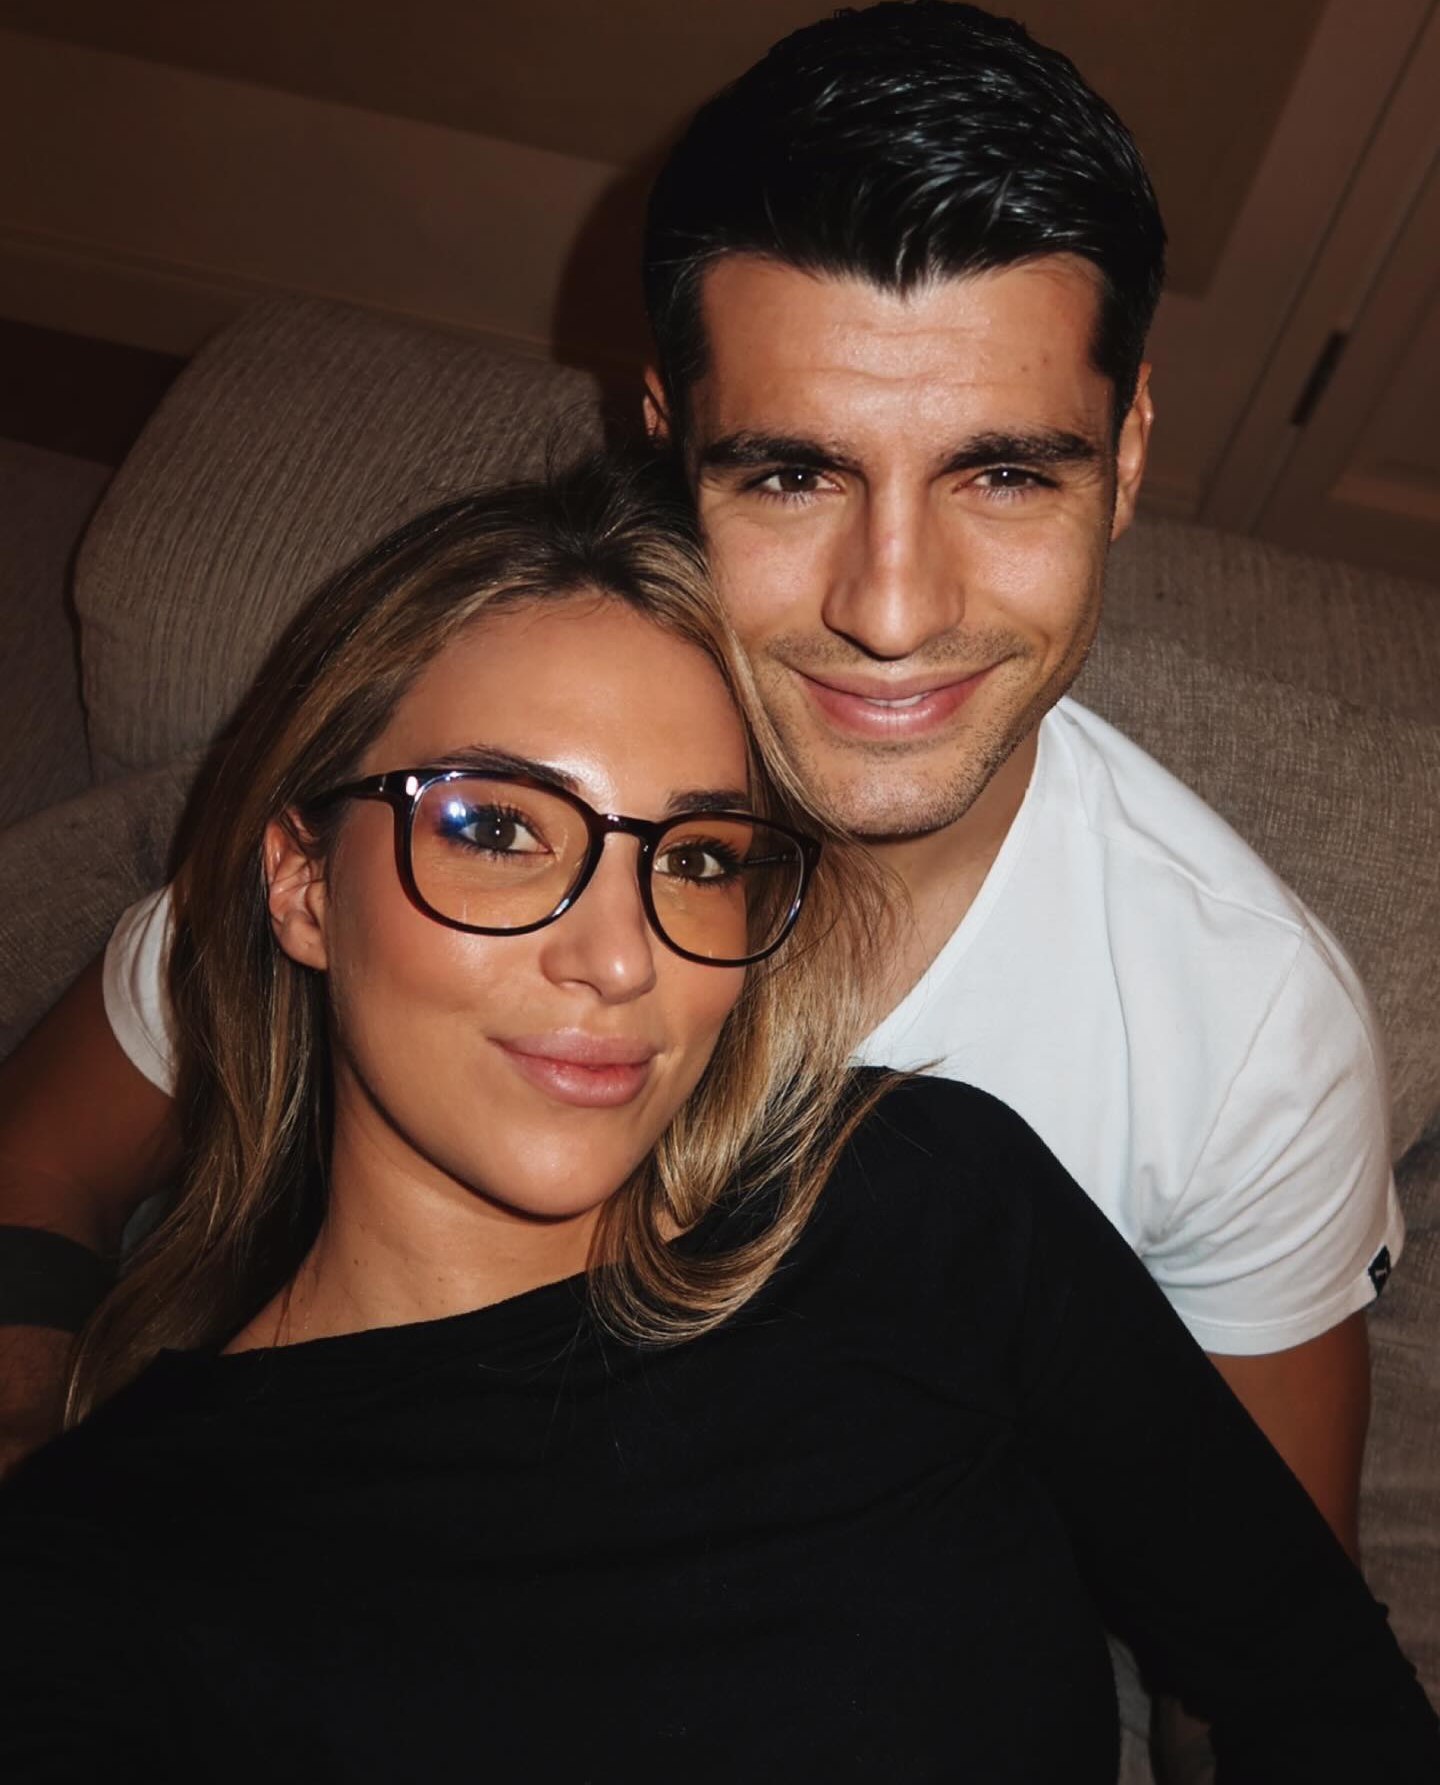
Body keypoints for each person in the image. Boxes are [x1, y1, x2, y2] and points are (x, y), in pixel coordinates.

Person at [0, 0, 1395, 1569]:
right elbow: (46, 1157)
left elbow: (1279, 1607)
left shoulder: (1244, 1039)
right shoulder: (461, 809)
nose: (891, 609)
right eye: (792, 473)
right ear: (669, 441)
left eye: (1004, 472)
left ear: (1126, 455)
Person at [2, 455, 1435, 1782]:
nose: (620, 957)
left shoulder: (925, 1203)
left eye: (692, 858)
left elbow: (1313, 1688)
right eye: (497, 829)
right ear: (304, 886)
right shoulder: (100, 1579)